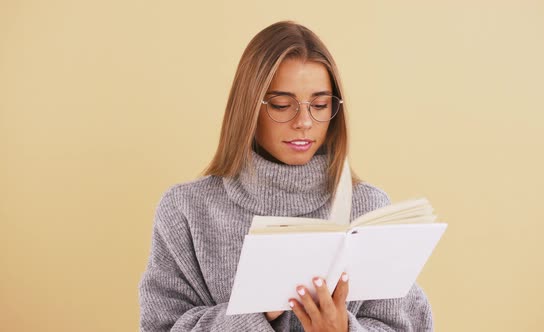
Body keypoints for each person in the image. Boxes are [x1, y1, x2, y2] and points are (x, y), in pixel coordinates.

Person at [138, 20, 434, 331]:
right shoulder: (187, 210)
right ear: (248, 107)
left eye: (320, 105)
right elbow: (160, 326)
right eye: (282, 105)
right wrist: (255, 314)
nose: (304, 121)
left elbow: (409, 324)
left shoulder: (369, 207)